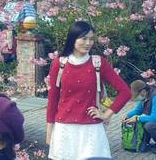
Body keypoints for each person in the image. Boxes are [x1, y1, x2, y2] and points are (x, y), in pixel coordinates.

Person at [45, 21, 132, 160]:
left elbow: (125, 92)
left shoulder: (99, 63)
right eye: (84, 38)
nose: (88, 43)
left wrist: (106, 114)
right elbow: (53, 99)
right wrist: (49, 132)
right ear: (73, 38)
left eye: (91, 39)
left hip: (91, 131)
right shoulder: (59, 63)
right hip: (64, 130)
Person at [123, 80, 156, 155]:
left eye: (137, 95)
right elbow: (138, 110)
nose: (136, 97)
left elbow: (155, 118)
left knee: (149, 125)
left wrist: (137, 118)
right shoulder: (145, 96)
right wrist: (127, 116)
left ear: (143, 91)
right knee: (145, 121)